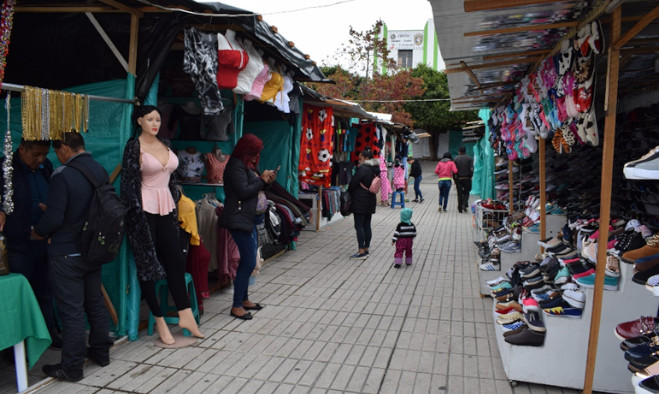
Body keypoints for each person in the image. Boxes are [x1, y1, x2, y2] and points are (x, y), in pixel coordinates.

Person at [31, 132, 113, 381]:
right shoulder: (99, 170)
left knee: (72, 312)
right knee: (95, 304)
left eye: (57, 151)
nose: (57, 157)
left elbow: (55, 218)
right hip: (93, 250)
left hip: (66, 252)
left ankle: (72, 367)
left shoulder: (63, 174)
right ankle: (101, 352)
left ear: (65, 148)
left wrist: (37, 232)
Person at [121, 105, 203, 344]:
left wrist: (177, 198)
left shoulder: (166, 142)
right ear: (139, 121)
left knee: (176, 260)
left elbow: (172, 178)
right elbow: (128, 183)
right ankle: (159, 320)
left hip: (167, 207)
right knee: (147, 266)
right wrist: (134, 211)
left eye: (158, 119)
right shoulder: (133, 146)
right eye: (150, 119)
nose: (155, 123)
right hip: (143, 211)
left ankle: (186, 315)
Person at [0, 139, 60, 345]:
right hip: (18, 244)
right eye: (36, 154)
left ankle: (46, 336)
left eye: (44, 154)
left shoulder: (46, 167)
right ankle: (16, 346)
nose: (40, 159)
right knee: (19, 298)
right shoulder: (5, 169)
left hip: (44, 240)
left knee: (44, 292)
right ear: (21, 149)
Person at [218, 133, 277, 320]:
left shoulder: (247, 166)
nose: (256, 157)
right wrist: (261, 180)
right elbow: (244, 191)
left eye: (257, 154)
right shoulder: (235, 166)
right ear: (245, 151)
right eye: (253, 153)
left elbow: (255, 189)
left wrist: (266, 181)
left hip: (247, 217)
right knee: (249, 261)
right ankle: (236, 306)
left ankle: (244, 300)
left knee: (248, 260)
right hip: (237, 218)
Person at [348, 149, 379, 259]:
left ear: (366, 158)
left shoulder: (363, 169)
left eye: (360, 158)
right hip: (370, 200)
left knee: (359, 225)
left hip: (360, 201)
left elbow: (353, 183)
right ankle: (366, 248)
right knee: (367, 225)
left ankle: (361, 250)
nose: (359, 160)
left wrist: (348, 192)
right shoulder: (375, 169)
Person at [453, 145, 474, 213]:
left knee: (459, 193)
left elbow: (454, 170)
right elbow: (471, 168)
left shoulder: (456, 159)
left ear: (459, 151)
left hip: (459, 178)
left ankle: (460, 207)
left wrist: (455, 179)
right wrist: (471, 176)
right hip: (467, 178)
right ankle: (465, 204)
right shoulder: (469, 158)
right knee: (466, 192)